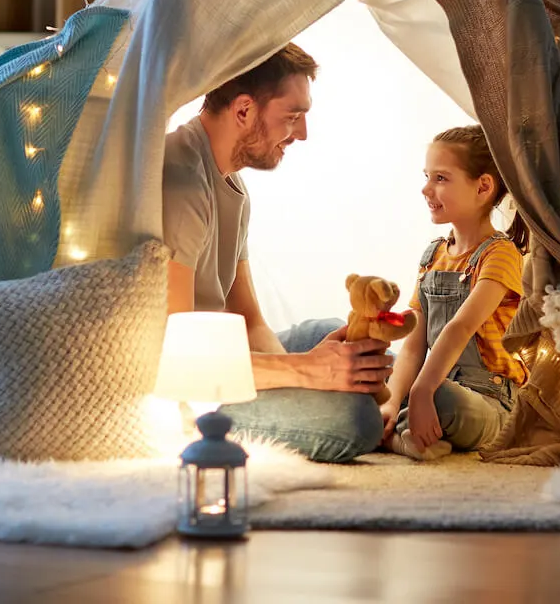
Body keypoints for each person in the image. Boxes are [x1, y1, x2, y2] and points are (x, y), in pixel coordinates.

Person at [162, 43, 393, 463]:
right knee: (354, 419)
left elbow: (248, 320)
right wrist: (307, 371)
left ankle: (411, 405)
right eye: (292, 115)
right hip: (188, 383)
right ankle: (396, 417)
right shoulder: (180, 182)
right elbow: (174, 355)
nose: (302, 133)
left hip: (227, 356)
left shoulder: (233, 186)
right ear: (245, 110)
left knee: (337, 336)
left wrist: (315, 367)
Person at [381, 125, 530, 461]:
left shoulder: (501, 254)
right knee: (374, 376)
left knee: (443, 401)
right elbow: (414, 344)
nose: (425, 188)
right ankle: (402, 429)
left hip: (487, 398)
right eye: (426, 176)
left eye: (441, 178)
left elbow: (459, 328)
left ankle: (398, 435)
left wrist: (420, 391)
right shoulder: (433, 255)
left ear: (483, 187)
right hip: (435, 380)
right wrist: (392, 399)